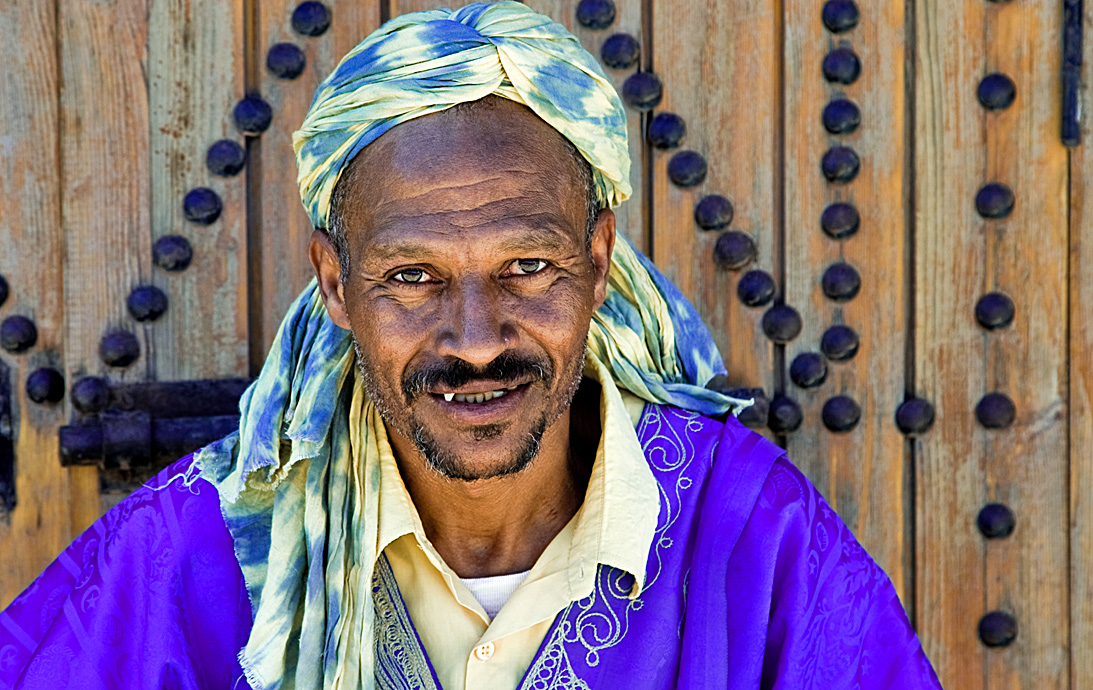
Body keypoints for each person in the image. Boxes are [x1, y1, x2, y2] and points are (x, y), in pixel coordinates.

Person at [0, 3, 943, 689]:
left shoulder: (750, 536)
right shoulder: (197, 549)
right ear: (334, 282)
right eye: (412, 276)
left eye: (527, 265)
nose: (477, 339)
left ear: (598, 258)